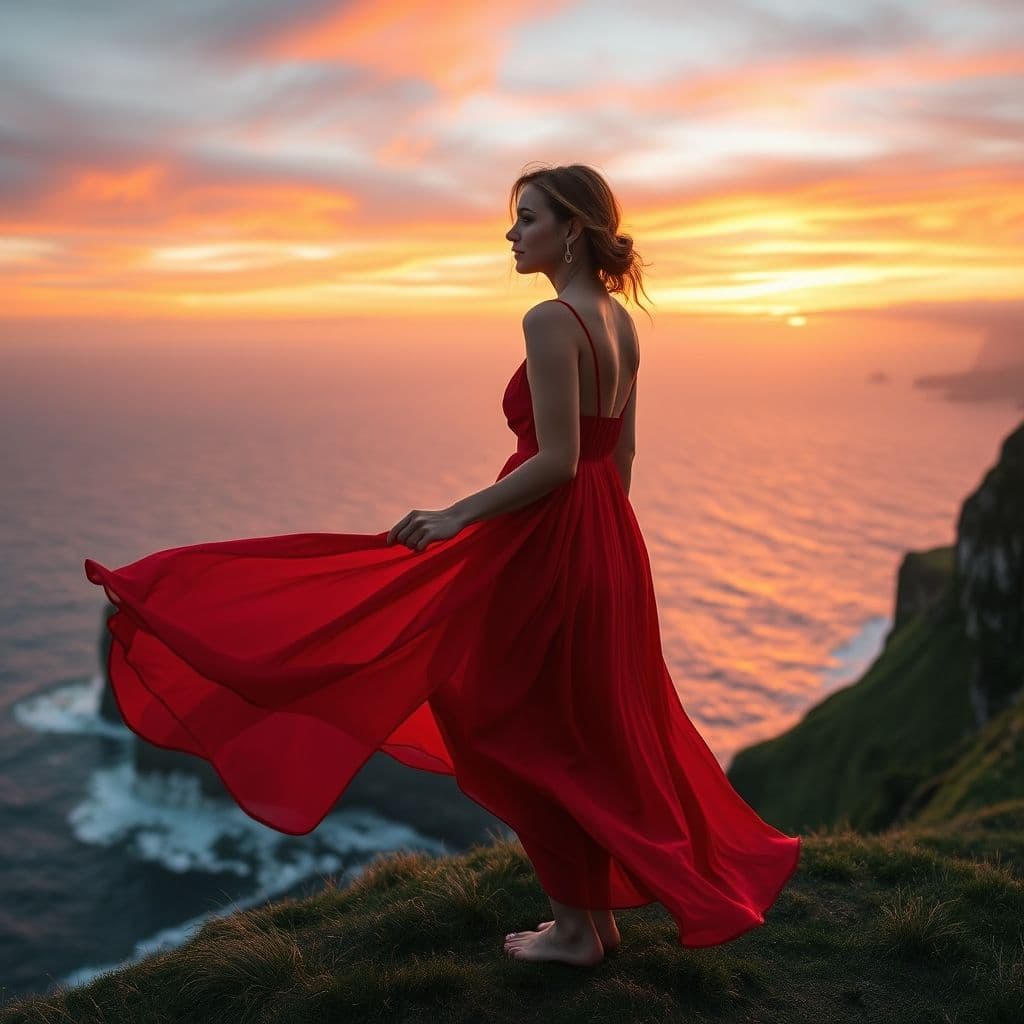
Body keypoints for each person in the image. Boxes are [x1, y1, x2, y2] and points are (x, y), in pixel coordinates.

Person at [84, 163, 801, 969]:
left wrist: (461, 515)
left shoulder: (551, 319)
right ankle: (593, 925)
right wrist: (600, 551)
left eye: (526, 218)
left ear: (571, 229)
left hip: (549, 539)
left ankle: (575, 930)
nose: (511, 233)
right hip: (607, 543)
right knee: (580, 731)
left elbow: (560, 459)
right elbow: (617, 457)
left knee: (513, 728)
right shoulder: (622, 323)